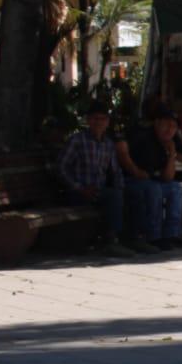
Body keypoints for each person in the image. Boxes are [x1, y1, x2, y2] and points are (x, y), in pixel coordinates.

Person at [58, 102, 139, 258]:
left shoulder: (108, 144)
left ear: (107, 122)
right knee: (114, 197)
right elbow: (61, 168)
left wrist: (121, 187)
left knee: (132, 193)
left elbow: (115, 171)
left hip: (99, 191)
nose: (99, 122)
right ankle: (111, 242)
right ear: (88, 121)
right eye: (95, 119)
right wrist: (79, 188)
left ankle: (133, 239)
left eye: (103, 119)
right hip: (77, 191)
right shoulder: (77, 140)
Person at [119, 105, 182, 251]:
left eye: (173, 126)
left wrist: (172, 152)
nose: (169, 129)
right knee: (154, 189)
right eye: (166, 124)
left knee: (174, 188)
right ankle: (154, 237)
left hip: (151, 181)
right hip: (130, 180)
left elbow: (167, 177)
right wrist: (136, 171)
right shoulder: (143, 137)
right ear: (156, 123)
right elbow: (124, 155)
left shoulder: (167, 143)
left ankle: (172, 234)